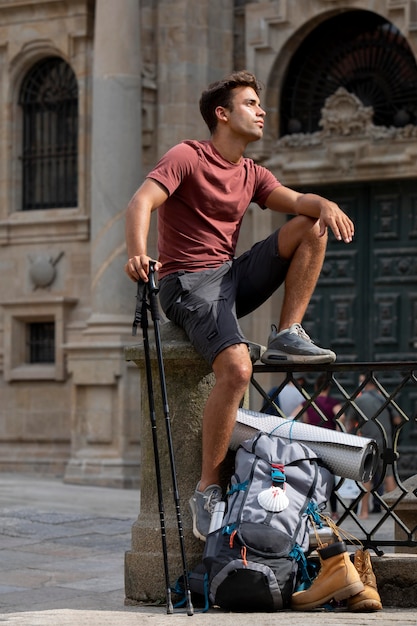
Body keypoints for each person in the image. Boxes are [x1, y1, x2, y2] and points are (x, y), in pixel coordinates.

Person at [124, 70, 354, 541]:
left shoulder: (251, 172)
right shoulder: (188, 156)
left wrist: (323, 202)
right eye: (250, 103)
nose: (261, 110)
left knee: (309, 224)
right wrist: (137, 251)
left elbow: (293, 199)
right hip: (187, 281)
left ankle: (288, 331)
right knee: (238, 370)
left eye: (260, 103)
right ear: (223, 114)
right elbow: (141, 201)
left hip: (229, 278)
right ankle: (208, 487)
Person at [347, 375, 397, 519]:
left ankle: (364, 512)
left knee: (366, 477)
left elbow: (351, 422)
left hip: (367, 442)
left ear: (364, 385)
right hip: (385, 440)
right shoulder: (385, 399)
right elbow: (397, 419)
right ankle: (392, 512)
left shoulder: (359, 400)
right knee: (388, 475)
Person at [295, 372, 344, 519]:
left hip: (311, 443)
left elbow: (295, 417)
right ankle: (334, 511)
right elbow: (341, 420)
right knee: (331, 478)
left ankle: (310, 507)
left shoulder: (308, 403)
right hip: (328, 443)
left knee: (311, 475)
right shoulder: (333, 403)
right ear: (329, 388)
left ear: (316, 386)